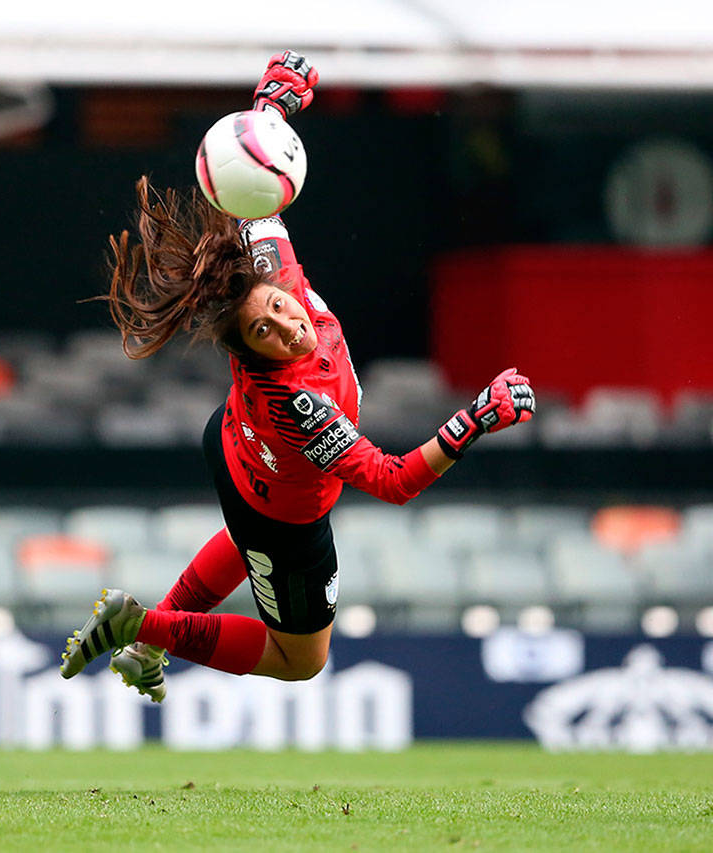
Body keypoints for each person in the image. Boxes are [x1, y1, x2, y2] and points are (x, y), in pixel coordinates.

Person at [59, 51, 535, 702]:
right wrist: (475, 417)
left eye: (278, 310)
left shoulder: (276, 275)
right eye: (266, 334)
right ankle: (138, 625)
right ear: (253, 352)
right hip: (285, 514)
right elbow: (393, 482)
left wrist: (271, 106)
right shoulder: (300, 406)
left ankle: (146, 643)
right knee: (299, 659)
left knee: (240, 534)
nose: (287, 326)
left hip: (234, 450)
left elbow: (251, 195)